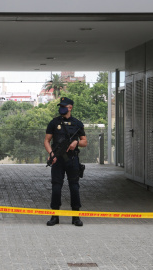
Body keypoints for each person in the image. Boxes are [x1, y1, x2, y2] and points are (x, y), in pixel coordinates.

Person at [44, 97, 88, 226]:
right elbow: (47, 140)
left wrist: (76, 142)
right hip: (57, 160)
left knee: (74, 187)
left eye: (64, 106)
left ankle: (75, 217)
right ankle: (55, 216)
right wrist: (51, 154)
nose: (61, 108)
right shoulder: (53, 123)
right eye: (60, 106)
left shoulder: (77, 123)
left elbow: (85, 142)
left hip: (72, 160)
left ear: (70, 107)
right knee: (56, 187)